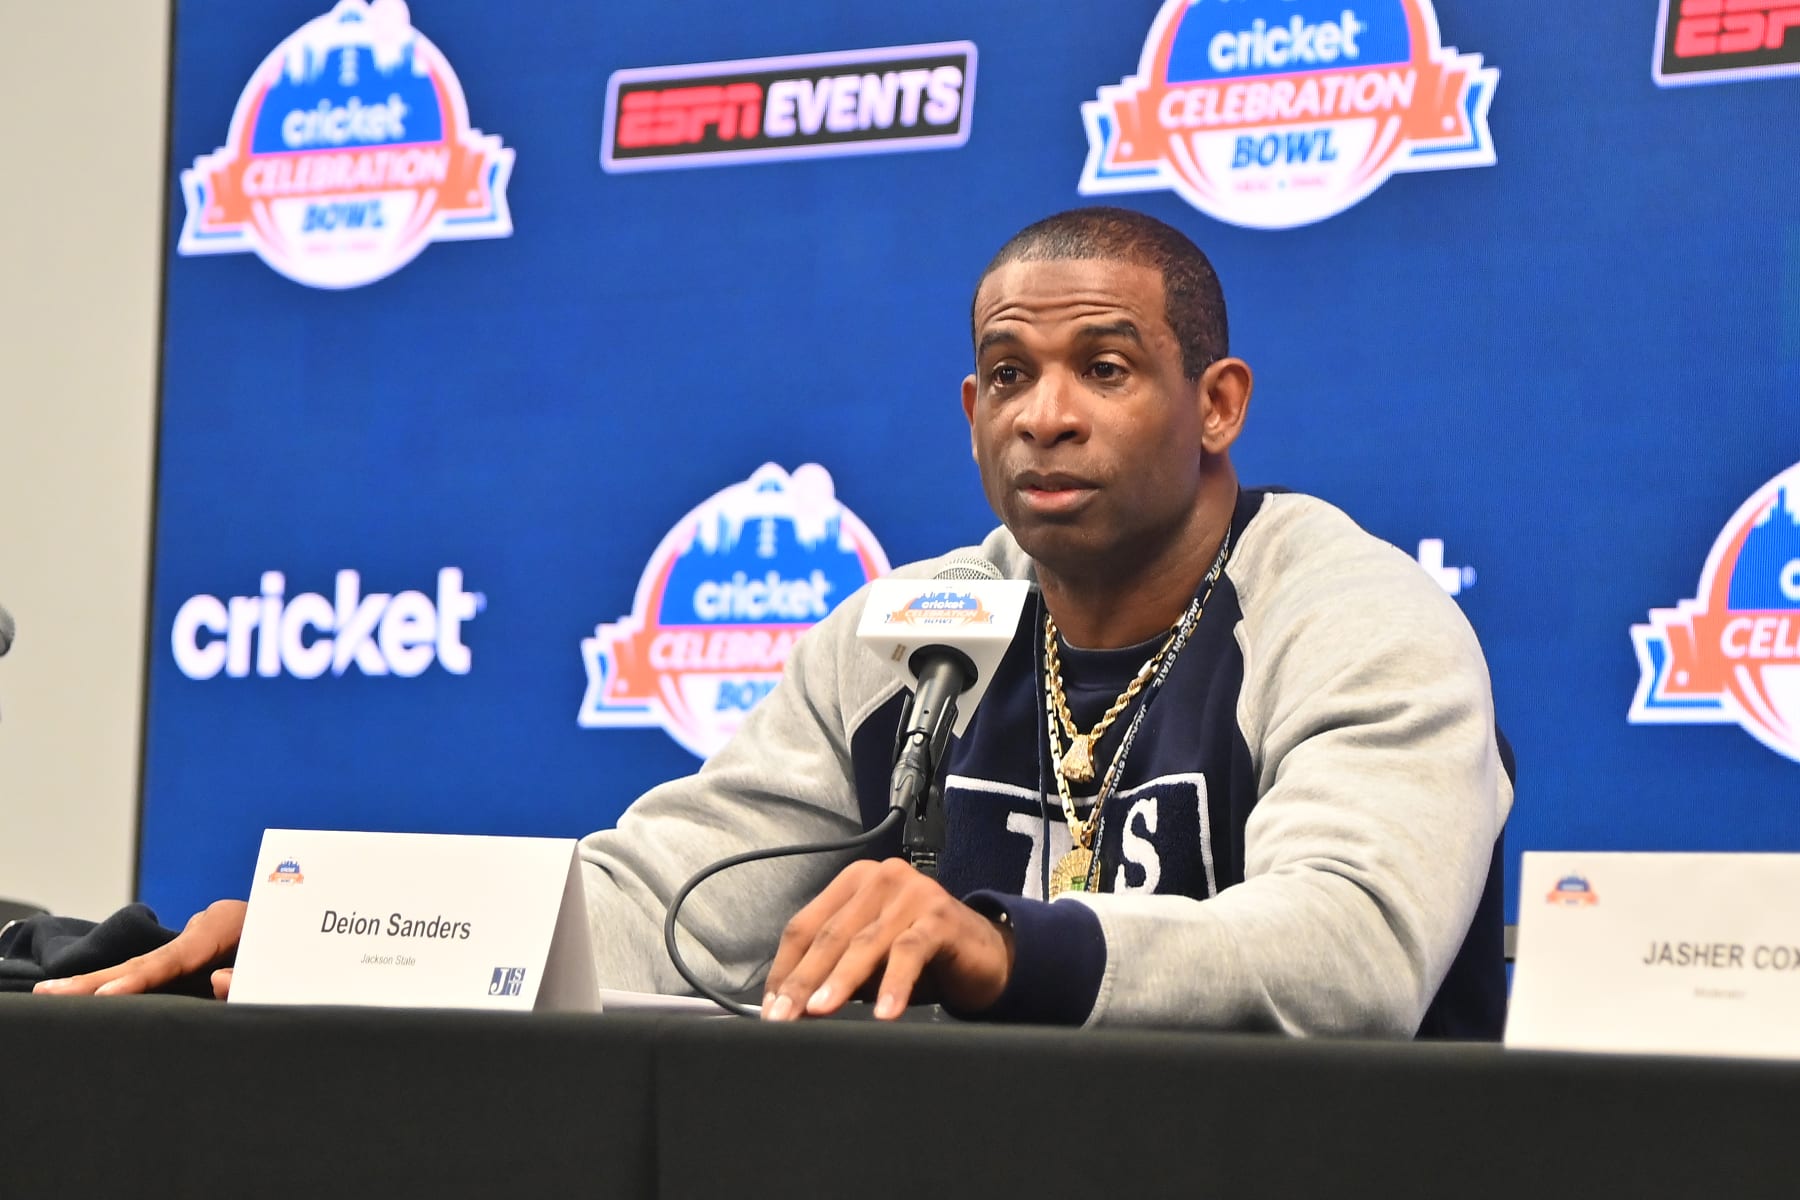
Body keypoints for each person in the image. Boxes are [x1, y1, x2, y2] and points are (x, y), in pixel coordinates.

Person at [36, 207, 1512, 1036]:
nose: (1047, 414)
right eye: (1008, 374)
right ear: (968, 410)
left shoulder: (1354, 613)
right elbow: (665, 906)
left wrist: (1006, 946)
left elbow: (1354, 952)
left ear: (1217, 405)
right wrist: (349, 937)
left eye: (1106, 367)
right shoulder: (908, 636)